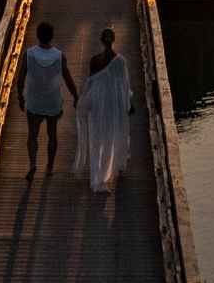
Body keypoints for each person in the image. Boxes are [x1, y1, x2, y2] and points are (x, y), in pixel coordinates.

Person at [73, 27, 133, 195]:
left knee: (96, 138)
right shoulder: (120, 61)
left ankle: (97, 179)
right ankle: (104, 177)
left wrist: (82, 100)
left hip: (97, 102)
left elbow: (89, 83)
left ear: (101, 40)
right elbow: (124, 86)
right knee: (109, 139)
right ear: (113, 40)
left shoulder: (94, 60)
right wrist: (128, 103)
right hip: (113, 104)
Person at [19, 21, 75, 172]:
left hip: (34, 100)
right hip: (52, 101)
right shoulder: (59, 56)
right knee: (52, 135)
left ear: (37, 36)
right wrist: (75, 95)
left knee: (32, 135)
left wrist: (20, 97)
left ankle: (32, 164)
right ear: (52, 37)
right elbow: (67, 78)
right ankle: (49, 166)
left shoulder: (29, 54)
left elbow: (20, 78)